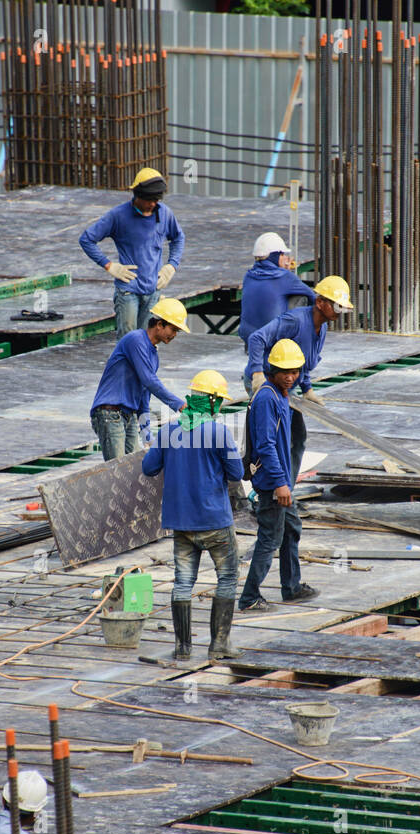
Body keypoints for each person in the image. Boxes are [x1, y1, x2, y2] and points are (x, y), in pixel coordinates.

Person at [142, 370, 244, 659]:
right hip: (215, 522)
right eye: (219, 401)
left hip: (181, 522)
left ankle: (183, 648)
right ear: (211, 402)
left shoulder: (169, 431)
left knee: (183, 582)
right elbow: (236, 472)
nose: (221, 407)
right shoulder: (219, 431)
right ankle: (218, 645)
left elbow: (149, 468)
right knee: (226, 578)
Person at [244, 274, 352, 488]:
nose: (340, 313)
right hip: (267, 382)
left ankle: (286, 489)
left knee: (297, 439)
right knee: (271, 441)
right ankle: (269, 490)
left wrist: (307, 388)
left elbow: (301, 359)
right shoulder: (295, 321)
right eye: (337, 307)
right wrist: (257, 373)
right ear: (320, 303)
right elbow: (256, 338)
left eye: (343, 308)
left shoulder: (322, 328)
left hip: (288, 386)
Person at [238, 340, 319, 613]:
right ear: (272, 369)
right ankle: (249, 597)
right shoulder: (266, 398)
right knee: (270, 538)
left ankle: (292, 587)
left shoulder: (281, 395)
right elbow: (265, 446)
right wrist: (281, 484)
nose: (290, 376)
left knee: (291, 529)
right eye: (284, 371)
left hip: (282, 482)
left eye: (295, 371)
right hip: (273, 484)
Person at [79, 168, 186, 336]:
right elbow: (87, 239)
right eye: (148, 200)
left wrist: (172, 265)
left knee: (147, 341)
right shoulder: (118, 215)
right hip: (129, 290)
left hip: (153, 290)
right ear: (137, 195)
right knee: (128, 340)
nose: (152, 204)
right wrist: (108, 265)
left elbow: (178, 238)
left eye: (156, 200)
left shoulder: (164, 213)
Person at [89, 297, 190, 461]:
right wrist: (179, 404)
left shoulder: (153, 356)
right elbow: (149, 380)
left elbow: (144, 397)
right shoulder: (136, 340)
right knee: (118, 470)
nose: (175, 335)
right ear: (159, 325)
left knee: (134, 469)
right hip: (110, 413)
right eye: (173, 329)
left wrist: (147, 435)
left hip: (128, 416)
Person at [238, 232, 315, 394]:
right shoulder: (285, 277)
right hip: (276, 371)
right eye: (281, 254)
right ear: (273, 256)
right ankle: (304, 382)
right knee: (301, 303)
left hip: (252, 372)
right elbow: (313, 299)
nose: (285, 258)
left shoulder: (248, 276)